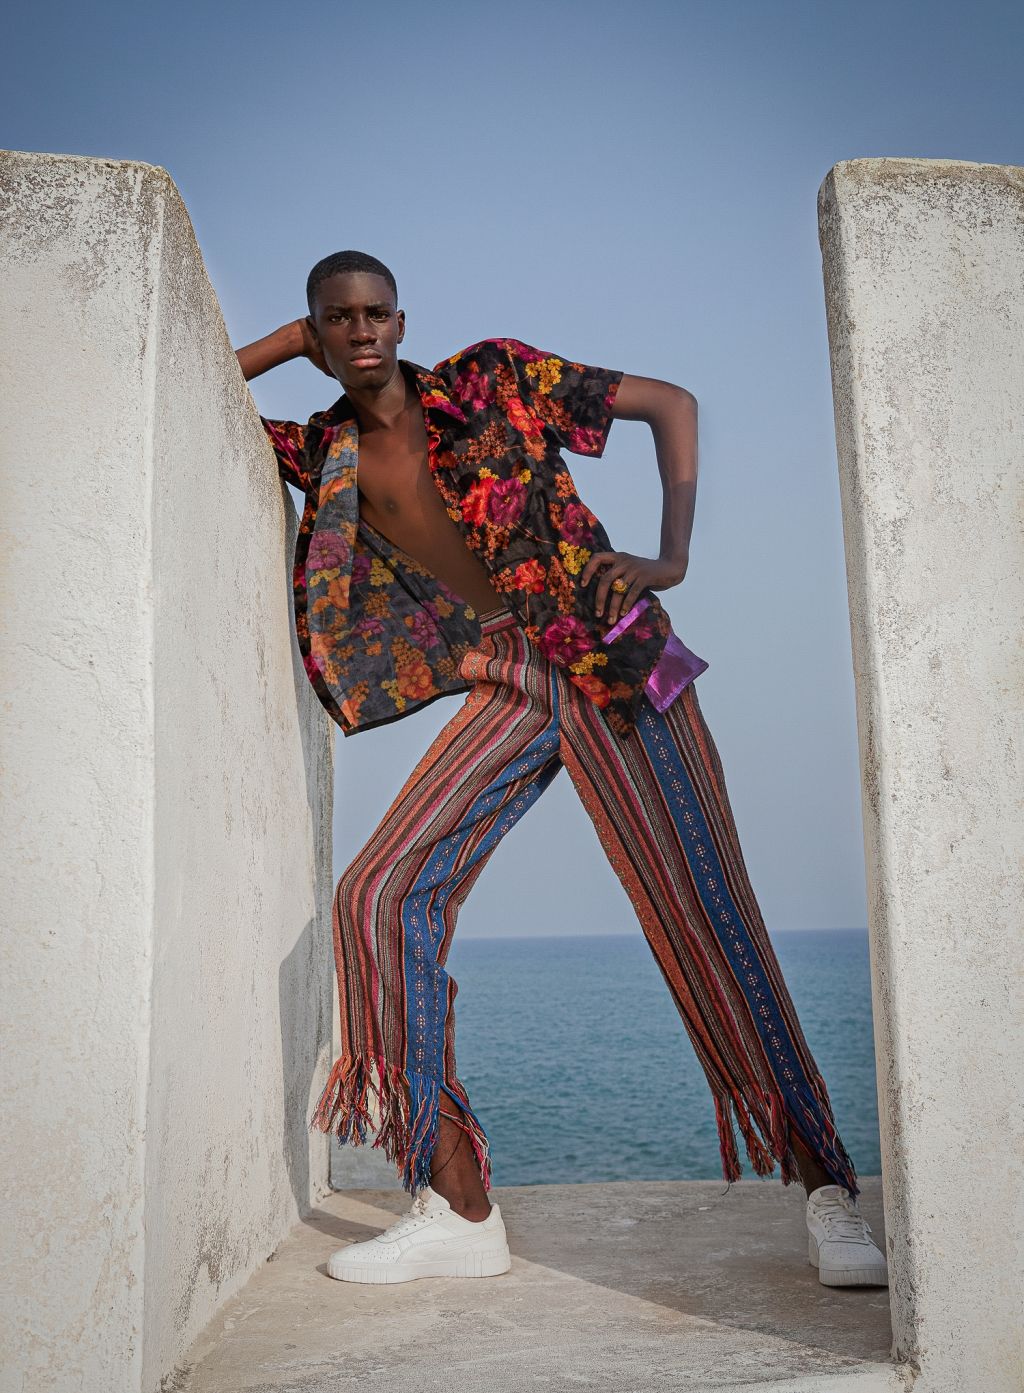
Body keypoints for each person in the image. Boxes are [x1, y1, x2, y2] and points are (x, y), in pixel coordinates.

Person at [236, 249, 888, 1290]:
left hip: (615, 655)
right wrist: (286, 341)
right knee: (377, 892)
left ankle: (827, 1192)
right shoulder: (323, 450)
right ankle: (458, 1207)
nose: (360, 332)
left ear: (402, 321)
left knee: (709, 913)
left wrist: (672, 554)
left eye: (375, 313)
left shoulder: (492, 377)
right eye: (337, 319)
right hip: (504, 673)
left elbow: (669, 403)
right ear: (316, 332)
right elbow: (201, 396)